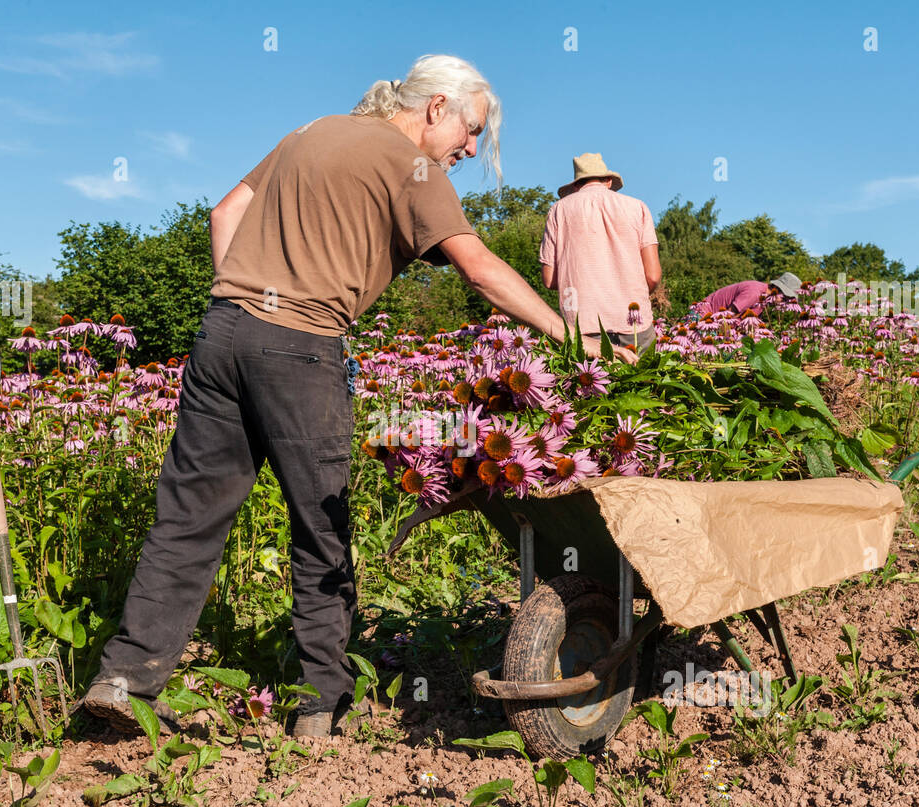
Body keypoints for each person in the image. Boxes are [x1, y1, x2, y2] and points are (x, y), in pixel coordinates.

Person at [77, 54, 638, 742]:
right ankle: (319, 703)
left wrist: (246, 301)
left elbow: (226, 212)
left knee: (188, 516)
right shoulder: (414, 167)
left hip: (222, 333)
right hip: (300, 345)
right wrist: (571, 335)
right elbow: (481, 269)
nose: (468, 147)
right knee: (320, 526)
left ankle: (125, 678)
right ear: (436, 108)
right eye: (470, 130)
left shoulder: (310, 132)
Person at [539, 153, 662, 352]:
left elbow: (549, 280)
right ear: (609, 181)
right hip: (634, 324)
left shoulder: (558, 210)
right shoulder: (638, 207)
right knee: (643, 381)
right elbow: (653, 276)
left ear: (577, 185)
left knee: (592, 381)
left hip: (582, 324)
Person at [694, 272, 802, 316]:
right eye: (784, 299)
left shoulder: (762, 300)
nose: (784, 303)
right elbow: (727, 316)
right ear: (777, 291)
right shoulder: (754, 294)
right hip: (702, 314)